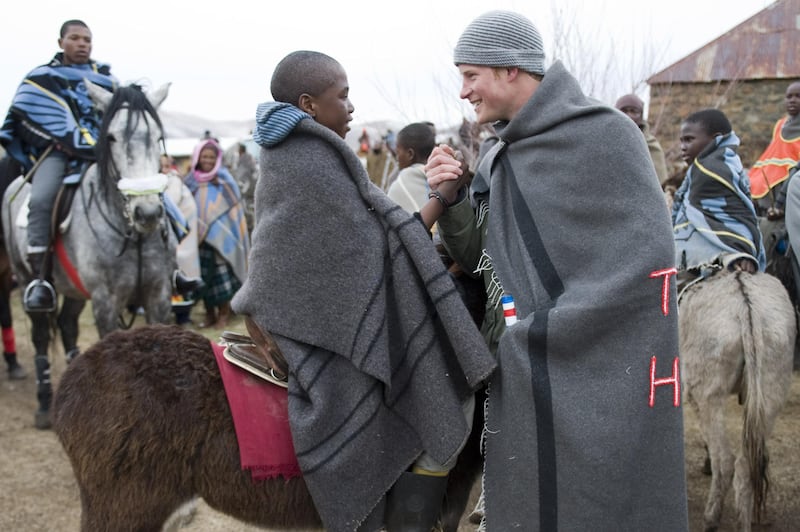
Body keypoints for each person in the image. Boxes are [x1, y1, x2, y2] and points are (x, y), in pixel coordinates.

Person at [423, 10, 688, 531]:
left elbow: (646, 259)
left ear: (510, 71)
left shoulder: (606, 135)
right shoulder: (501, 151)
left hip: (597, 357)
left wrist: (548, 329)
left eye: (471, 75)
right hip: (517, 361)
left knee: (598, 494)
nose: (463, 91)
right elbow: (485, 254)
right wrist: (451, 200)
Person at [231, 50, 495, 531]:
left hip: (321, 318)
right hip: (322, 335)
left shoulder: (295, 153)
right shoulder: (311, 161)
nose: (351, 108)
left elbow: (366, 251)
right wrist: (441, 199)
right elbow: (378, 258)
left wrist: (437, 201)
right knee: (446, 397)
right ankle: (409, 525)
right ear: (309, 104)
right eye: (343, 96)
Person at [0, 19, 117, 312]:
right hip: (58, 153)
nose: (82, 44)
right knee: (40, 199)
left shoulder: (106, 79)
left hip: (103, 155)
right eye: (75, 38)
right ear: (60, 42)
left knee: (145, 188)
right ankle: (40, 278)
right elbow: (27, 113)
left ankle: (172, 265)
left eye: (87, 40)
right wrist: (68, 138)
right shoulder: (41, 79)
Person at [672, 108, 765, 281]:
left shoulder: (711, 169)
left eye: (689, 139)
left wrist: (737, 250)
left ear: (716, 139)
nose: (683, 147)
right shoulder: (724, 164)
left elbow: (728, 216)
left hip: (711, 251)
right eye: (681, 141)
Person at [183, 139, 249, 329]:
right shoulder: (190, 181)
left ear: (218, 159)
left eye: (212, 157)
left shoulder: (225, 180)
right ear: (197, 157)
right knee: (202, 278)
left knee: (222, 277)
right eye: (204, 156)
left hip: (223, 240)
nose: (208, 160)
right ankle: (209, 314)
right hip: (197, 240)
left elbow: (234, 212)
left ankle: (223, 315)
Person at [748, 80, 800, 216]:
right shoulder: (780, 125)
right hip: (767, 173)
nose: (792, 100)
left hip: (791, 175)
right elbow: (771, 151)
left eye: (798, 96)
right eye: (789, 97)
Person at [161, 155, 201, 326]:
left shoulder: (171, 181)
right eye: (160, 166)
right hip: (179, 237)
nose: (163, 169)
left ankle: (182, 316)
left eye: (165, 165)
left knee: (180, 274)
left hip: (181, 238)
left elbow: (172, 203)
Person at [615, 93, 670, 185]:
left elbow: (660, 182)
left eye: (634, 111)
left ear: (640, 116)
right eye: (624, 110)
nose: (629, 115)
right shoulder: (606, 139)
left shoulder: (650, 144)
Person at [386, 122, 436, 213]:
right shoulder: (444, 177)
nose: (397, 158)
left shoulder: (400, 185)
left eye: (398, 153)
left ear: (410, 154)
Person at [233, 142, 257, 233]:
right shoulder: (240, 158)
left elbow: (251, 170)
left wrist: (248, 183)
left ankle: (249, 225)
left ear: (241, 150)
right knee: (244, 204)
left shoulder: (247, 158)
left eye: (239, 149)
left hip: (246, 185)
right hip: (242, 184)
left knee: (246, 205)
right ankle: (247, 224)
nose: (238, 151)